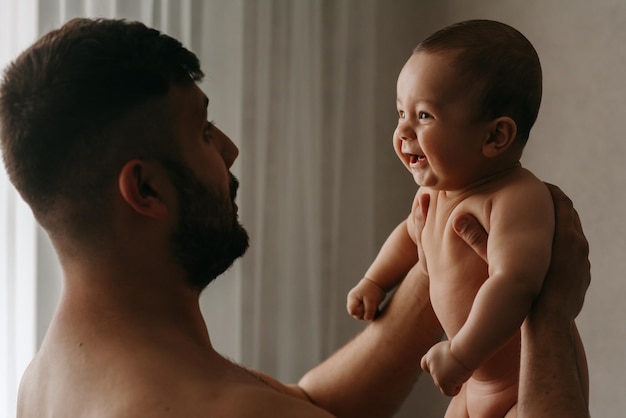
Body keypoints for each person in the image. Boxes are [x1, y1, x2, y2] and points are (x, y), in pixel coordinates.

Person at [0, 18, 590, 418]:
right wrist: (551, 315)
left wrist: (441, 260)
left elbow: (309, 404)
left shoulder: (47, 381)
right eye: (204, 131)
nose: (230, 150)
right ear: (146, 188)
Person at [346, 20, 588, 417]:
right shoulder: (436, 194)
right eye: (400, 112)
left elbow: (515, 282)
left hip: (522, 382)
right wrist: (376, 280)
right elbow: (409, 237)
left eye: (424, 116)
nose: (403, 130)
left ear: (496, 137)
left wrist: (460, 355)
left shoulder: (515, 198)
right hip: (474, 383)